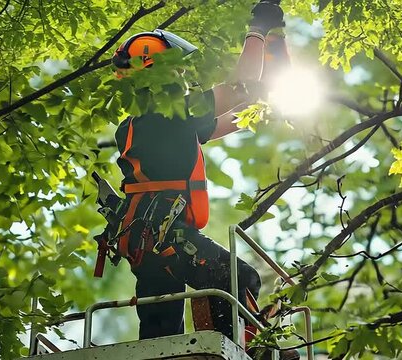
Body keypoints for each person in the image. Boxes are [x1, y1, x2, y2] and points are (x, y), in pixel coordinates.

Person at [110, 2, 298, 359]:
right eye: (177, 72)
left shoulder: (143, 126)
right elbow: (240, 89)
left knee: (161, 328)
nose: (184, 79)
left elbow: (239, 116)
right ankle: (243, 351)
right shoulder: (171, 116)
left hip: (144, 242)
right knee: (237, 279)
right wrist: (259, 29)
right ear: (159, 74)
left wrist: (267, 99)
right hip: (169, 236)